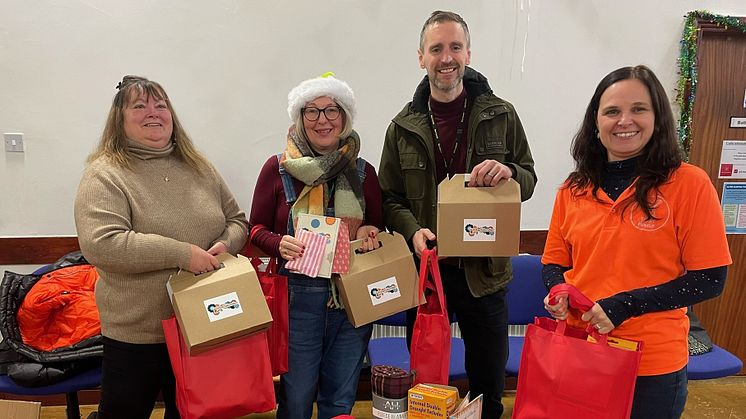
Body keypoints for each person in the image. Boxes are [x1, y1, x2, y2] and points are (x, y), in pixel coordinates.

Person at [542, 65, 731, 419]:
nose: (624, 120)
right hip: (581, 350)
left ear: (657, 118)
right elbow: (554, 262)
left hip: (652, 362)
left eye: (638, 109)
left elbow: (709, 278)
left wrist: (625, 305)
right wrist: (557, 293)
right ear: (595, 123)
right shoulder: (573, 188)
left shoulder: (689, 184)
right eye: (612, 111)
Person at [378, 10, 537, 418]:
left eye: (454, 47)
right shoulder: (402, 127)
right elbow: (389, 198)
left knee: (487, 384)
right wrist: (413, 232)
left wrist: (510, 172)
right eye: (436, 49)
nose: (445, 58)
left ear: (468, 53)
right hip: (428, 274)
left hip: (485, 276)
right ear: (421, 57)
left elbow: (529, 179)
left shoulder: (501, 114)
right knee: (426, 381)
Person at [74, 75, 248, 419]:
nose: (152, 113)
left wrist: (224, 244)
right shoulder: (105, 173)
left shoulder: (198, 166)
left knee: (192, 414)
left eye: (160, 104)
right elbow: (103, 243)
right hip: (138, 333)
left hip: (205, 322)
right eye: (139, 106)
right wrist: (184, 254)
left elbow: (238, 221)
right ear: (120, 120)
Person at [249, 73, 384, 419]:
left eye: (331, 110)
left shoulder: (365, 173)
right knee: (295, 402)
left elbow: (378, 227)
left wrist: (370, 231)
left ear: (344, 116)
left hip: (351, 301)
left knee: (340, 400)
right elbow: (255, 230)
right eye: (312, 111)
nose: (323, 120)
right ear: (300, 117)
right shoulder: (277, 169)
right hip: (298, 302)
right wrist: (279, 243)